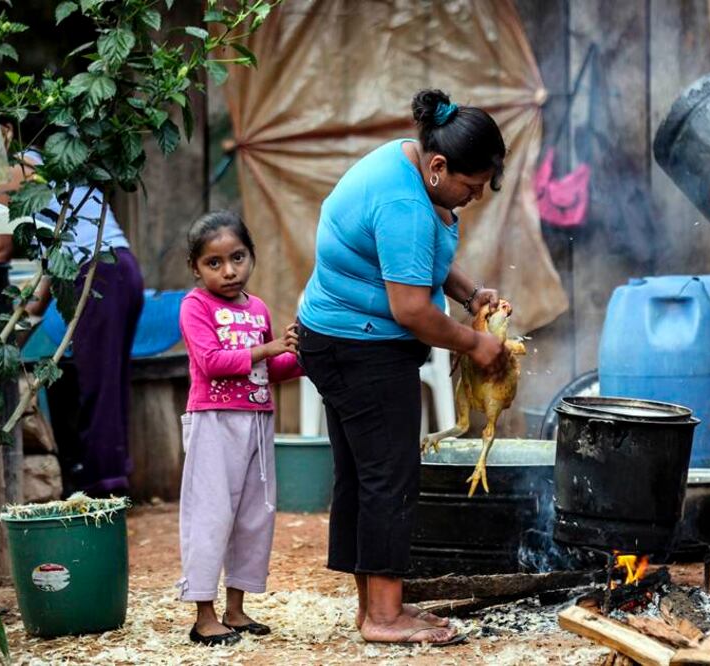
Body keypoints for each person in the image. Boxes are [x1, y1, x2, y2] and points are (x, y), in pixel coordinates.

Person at [296, 89, 508, 646]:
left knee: (365, 474)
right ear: (439, 166)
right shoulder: (405, 205)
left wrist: (468, 293)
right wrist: (474, 345)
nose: (474, 196)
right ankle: (386, 619)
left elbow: (417, 262)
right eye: (470, 185)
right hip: (359, 349)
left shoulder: (403, 160)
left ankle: (374, 608)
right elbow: (410, 307)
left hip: (334, 338)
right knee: (389, 476)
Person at [0, 123, 144, 497]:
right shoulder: (57, 170)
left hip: (98, 274)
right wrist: (29, 312)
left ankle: (102, 487)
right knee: (108, 381)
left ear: (6, 133)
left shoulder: (15, 170)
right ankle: (110, 475)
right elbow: (53, 263)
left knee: (98, 386)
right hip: (120, 268)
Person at [176, 211, 302, 646]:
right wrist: (267, 348)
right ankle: (204, 613)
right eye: (214, 263)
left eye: (238, 257)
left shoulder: (259, 308)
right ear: (196, 267)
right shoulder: (195, 306)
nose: (229, 271)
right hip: (214, 421)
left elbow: (271, 369)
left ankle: (236, 608)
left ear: (250, 256)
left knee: (254, 516)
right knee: (211, 516)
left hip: (258, 421)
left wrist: (303, 354)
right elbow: (211, 362)